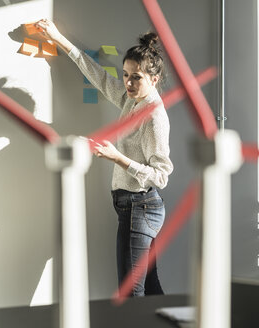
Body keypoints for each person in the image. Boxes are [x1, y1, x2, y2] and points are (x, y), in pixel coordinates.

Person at [35, 19, 173, 296]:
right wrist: (58, 38)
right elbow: (97, 76)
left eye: (137, 77)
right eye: (126, 75)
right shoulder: (131, 100)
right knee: (150, 286)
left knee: (130, 290)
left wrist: (116, 157)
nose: (129, 83)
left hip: (141, 207)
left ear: (154, 79)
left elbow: (161, 175)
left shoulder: (154, 115)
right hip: (133, 207)